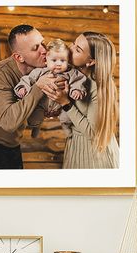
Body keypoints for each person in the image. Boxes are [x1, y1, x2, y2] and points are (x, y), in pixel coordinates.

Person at [0, 24, 65, 169]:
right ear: (19, 57)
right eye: (35, 48)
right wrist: (38, 87)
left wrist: (49, 109)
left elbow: (31, 104)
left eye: (42, 43)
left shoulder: (44, 67)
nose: (44, 50)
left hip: (14, 144)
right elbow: (8, 122)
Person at [47, 31, 119, 169]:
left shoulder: (97, 87)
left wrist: (65, 103)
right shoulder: (70, 74)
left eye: (78, 49)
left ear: (90, 61)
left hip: (94, 155)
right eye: (73, 43)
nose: (70, 48)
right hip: (75, 146)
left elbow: (93, 132)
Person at [14, 38, 87, 137]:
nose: (58, 64)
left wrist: (76, 90)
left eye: (63, 60)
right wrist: (23, 88)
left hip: (61, 106)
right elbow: (28, 79)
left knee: (66, 117)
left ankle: (66, 127)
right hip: (42, 104)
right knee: (34, 117)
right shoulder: (40, 72)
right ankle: (36, 126)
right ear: (46, 61)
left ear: (68, 61)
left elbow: (78, 81)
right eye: (54, 60)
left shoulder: (71, 73)